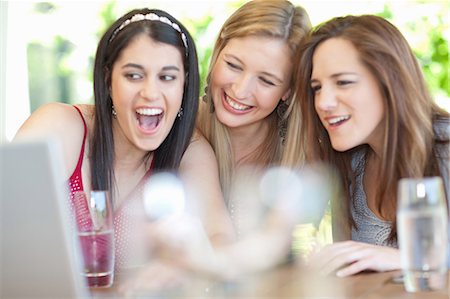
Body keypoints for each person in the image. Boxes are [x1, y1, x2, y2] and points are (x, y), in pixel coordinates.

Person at [14, 8, 234, 271]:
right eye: (133, 75)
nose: (151, 92)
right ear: (108, 80)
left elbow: (223, 245)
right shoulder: (61, 126)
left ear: (184, 86)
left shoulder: (190, 153)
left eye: (167, 77)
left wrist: (186, 263)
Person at [286, 14, 450, 276]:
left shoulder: (445, 150)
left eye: (343, 82)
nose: (323, 102)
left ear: (390, 81)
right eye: (316, 88)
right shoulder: (351, 164)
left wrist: (411, 259)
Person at [197, 0, 311, 231]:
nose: (240, 90)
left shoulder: (303, 151)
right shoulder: (177, 125)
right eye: (233, 65)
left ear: (288, 90)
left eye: (266, 80)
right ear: (218, 52)